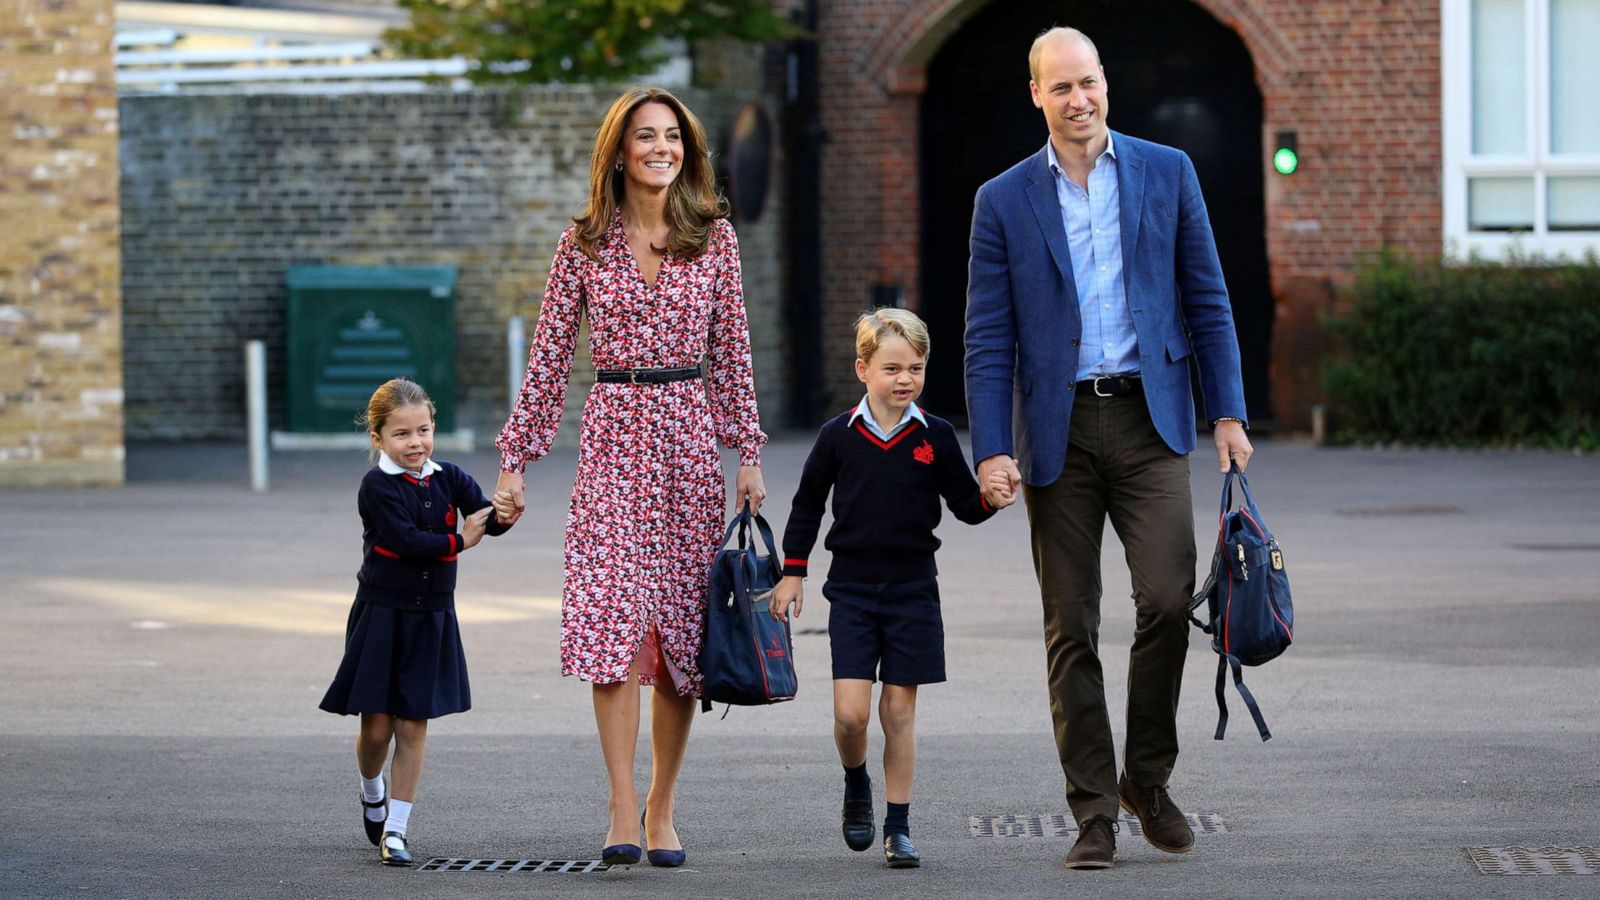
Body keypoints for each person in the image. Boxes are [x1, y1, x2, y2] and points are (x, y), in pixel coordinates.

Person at [963, 27, 1255, 870]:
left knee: (1167, 601)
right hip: (1054, 433)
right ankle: (1092, 809)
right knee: (1071, 627)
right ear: (1036, 96)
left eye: (1087, 82)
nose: (1077, 100)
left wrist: (1227, 412)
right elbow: (988, 339)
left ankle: (1147, 780)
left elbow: (1209, 298)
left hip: (1150, 420)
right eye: (1060, 88)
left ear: (1105, 83)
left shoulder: (1167, 171)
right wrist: (990, 450)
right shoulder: (1003, 199)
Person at [491, 87, 767, 869]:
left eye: (672, 137)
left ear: (687, 149)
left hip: (686, 440)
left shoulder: (714, 239)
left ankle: (662, 807)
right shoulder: (581, 243)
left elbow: (734, 354)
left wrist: (746, 450)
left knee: (682, 631)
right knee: (612, 624)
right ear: (619, 149)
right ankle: (619, 802)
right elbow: (548, 361)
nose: (660, 148)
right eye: (645, 137)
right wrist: (515, 460)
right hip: (612, 437)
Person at [770, 308, 1014, 869]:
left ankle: (898, 826)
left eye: (917, 368)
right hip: (852, 591)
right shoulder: (838, 436)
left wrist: (990, 501)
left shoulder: (936, 435)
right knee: (852, 714)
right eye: (892, 368)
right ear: (863, 369)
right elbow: (808, 504)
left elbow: (963, 504)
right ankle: (857, 784)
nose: (905, 379)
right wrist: (793, 571)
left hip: (913, 592)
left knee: (898, 711)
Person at [319, 377, 514, 866]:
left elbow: (482, 513)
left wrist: (506, 513)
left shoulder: (448, 476)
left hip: (432, 618)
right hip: (382, 614)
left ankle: (396, 831)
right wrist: (460, 542)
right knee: (377, 731)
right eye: (402, 434)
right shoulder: (376, 487)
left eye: (423, 431)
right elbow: (402, 541)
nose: (415, 443)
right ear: (378, 438)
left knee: (413, 726)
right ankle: (371, 790)